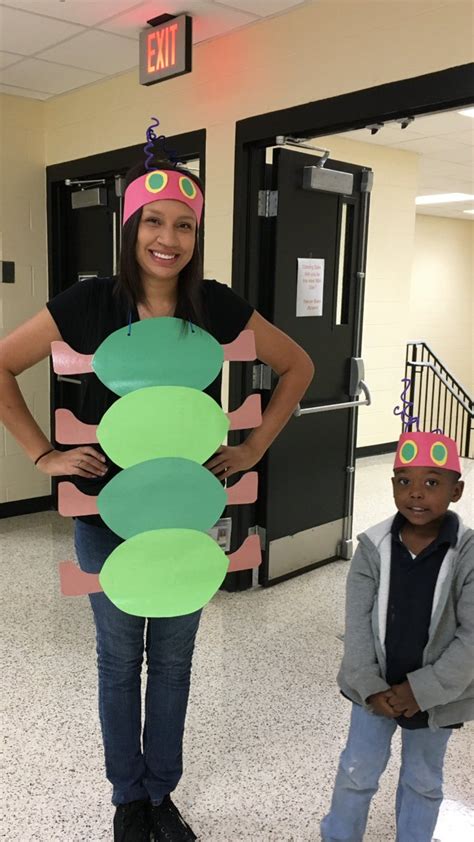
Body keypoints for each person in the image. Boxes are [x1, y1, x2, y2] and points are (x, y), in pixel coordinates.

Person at [0, 156, 314, 842]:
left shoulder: (216, 304)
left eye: (183, 224)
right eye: (153, 221)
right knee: (120, 661)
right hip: (107, 514)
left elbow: (298, 366)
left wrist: (253, 447)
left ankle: (160, 795)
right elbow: (1, 362)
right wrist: (44, 454)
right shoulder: (88, 304)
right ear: (130, 227)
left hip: (182, 512)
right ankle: (126, 798)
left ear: (196, 235)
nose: (167, 237)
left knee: (173, 662)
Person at [320, 431, 474, 842]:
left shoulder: (469, 555)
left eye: (432, 482)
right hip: (374, 696)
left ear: (456, 490)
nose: (416, 494)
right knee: (357, 771)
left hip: (438, 699)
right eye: (404, 481)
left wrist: (419, 692)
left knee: (424, 782)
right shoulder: (372, 548)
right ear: (392, 487)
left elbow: (471, 640)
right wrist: (370, 688)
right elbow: (356, 627)